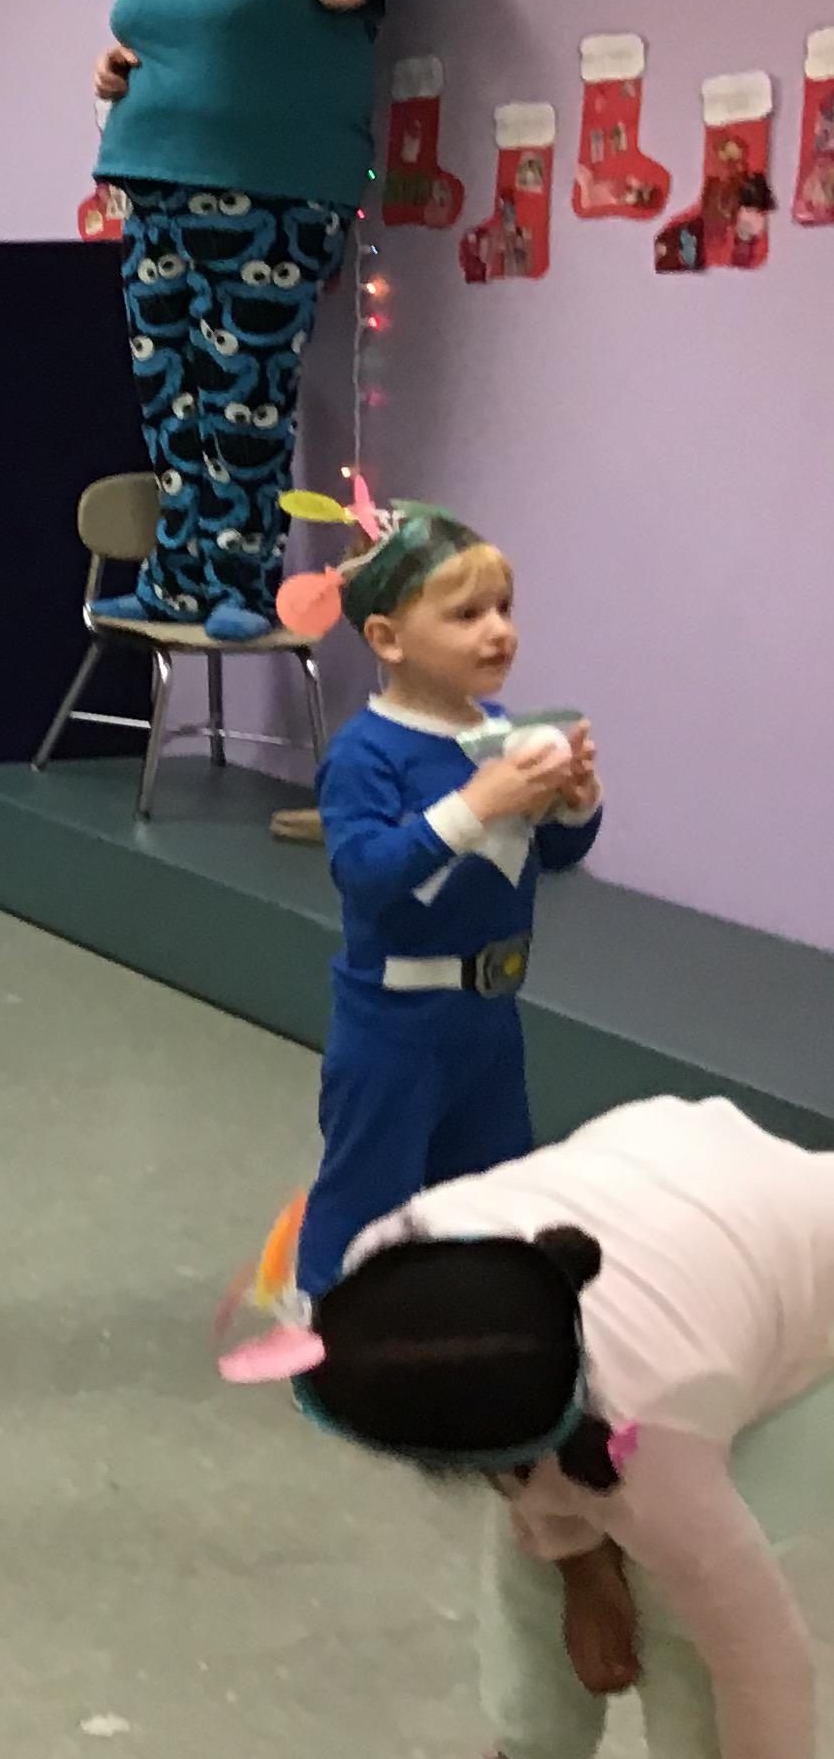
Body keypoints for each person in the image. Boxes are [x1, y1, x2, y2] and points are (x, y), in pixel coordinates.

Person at [231, 1097, 834, 1759]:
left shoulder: (660, 1433)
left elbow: (767, 1672)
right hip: (681, 1198)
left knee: (680, 1617)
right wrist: (584, 1573)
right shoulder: (399, 1266)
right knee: (532, 1547)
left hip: (805, 1292)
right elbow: (521, 1473)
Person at [91, 0, 395, 641]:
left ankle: (243, 585)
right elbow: (157, 18)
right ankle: (176, 581)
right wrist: (118, 68)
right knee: (171, 396)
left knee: (245, 393)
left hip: (272, 191)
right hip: (155, 184)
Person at [299, 504, 602, 1299]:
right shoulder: (366, 753)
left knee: (492, 1182)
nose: (498, 631)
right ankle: (325, 1316)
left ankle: (471, 1313)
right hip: (392, 1025)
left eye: (503, 609)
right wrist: (478, 803)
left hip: (488, 1020)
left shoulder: (503, 732)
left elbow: (553, 857)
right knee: (368, 1186)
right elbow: (367, 875)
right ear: (388, 639)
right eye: (466, 615)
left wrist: (572, 804)